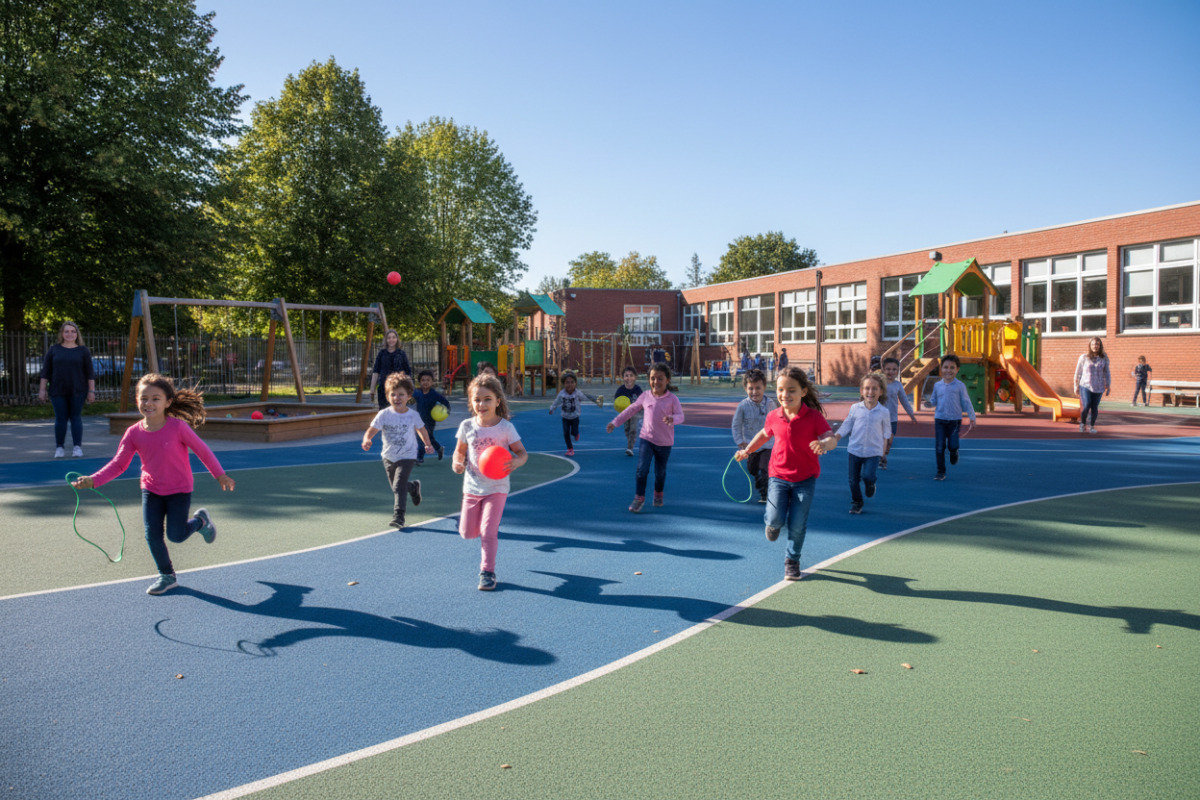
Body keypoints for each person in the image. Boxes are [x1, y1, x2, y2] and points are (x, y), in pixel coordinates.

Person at [71, 374, 235, 595]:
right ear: (137, 400)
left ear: (168, 402)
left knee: (176, 535)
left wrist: (220, 475)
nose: (149, 403)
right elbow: (119, 464)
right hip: (151, 490)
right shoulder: (134, 433)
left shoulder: (178, 427)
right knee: (152, 534)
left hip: (179, 490)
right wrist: (93, 480)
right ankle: (167, 575)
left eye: (155, 398)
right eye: (144, 398)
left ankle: (200, 521)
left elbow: (202, 451)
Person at [735, 365, 834, 581]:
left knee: (798, 524)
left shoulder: (813, 417)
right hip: (778, 476)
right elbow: (763, 434)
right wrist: (747, 450)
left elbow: (831, 437)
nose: (785, 395)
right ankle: (773, 524)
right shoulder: (774, 415)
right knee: (774, 518)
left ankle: (792, 560)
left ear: (803, 392)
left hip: (805, 479)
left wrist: (825, 444)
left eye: (791, 390)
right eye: (781, 390)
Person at [451, 374, 528, 591]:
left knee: (488, 531)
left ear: (497, 401)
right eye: (477, 400)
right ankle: (475, 527)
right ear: (471, 403)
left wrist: (517, 462)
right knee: (467, 533)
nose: (481, 404)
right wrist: (457, 463)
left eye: (487, 399)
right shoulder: (467, 426)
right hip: (473, 488)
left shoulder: (505, 428)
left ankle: (487, 572)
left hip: (497, 488)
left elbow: (522, 453)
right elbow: (460, 451)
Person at [606, 362, 685, 512]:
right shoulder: (645, 396)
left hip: (665, 443)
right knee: (641, 470)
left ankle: (658, 493)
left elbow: (681, 416)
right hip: (646, 439)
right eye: (653, 378)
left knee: (660, 473)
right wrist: (615, 422)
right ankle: (639, 497)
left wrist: (673, 419)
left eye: (660, 378)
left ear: (667, 380)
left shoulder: (672, 399)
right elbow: (630, 410)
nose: (656, 382)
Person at [362, 374, 434, 529]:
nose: (397, 398)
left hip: (407, 455)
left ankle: (399, 516)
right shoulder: (384, 414)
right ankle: (413, 487)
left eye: (401, 394)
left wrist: (427, 443)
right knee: (397, 486)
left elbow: (421, 429)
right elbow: (372, 429)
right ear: (388, 397)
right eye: (393, 394)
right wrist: (367, 439)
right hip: (388, 456)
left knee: (397, 487)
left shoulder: (413, 415)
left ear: (409, 396)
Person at [821, 373, 892, 513]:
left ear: (881, 391)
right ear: (861, 391)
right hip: (855, 450)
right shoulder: (855, 408)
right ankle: (857, 502)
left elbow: (886, 433)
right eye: (867, 388)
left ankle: (871, 483)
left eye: (874, 388)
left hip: (873, 452)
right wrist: (836, 437)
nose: (870, 392)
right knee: (853, 480)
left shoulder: (883, 412)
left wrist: (883, 451)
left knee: (867, 476)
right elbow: (847, 425)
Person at [38, 320, 96, 458]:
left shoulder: (83, 351)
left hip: (78, 390)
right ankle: (59, 448)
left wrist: (91, 391)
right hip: (58, 390)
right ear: (62, 334)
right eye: (67, 331)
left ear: (77, 334)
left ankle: (77, 447)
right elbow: (45, 372)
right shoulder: (54, 350)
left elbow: (90, 373)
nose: (70, 334)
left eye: (73, 331)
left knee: (75, 417)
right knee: (60, 419)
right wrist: (42, 390)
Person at [923, 354, 976, 480]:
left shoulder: (960, 386)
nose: (948, 370)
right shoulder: (937, 386)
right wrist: (930, 403)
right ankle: (940, 472)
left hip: (955, 421)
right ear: (941, 369)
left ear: (957, 369)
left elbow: (966, 402)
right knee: (940, 446)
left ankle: (954, 452)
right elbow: (934, 400)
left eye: (952, 367)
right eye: (946, 367)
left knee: (952, 444)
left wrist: (972, 417)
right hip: (940, 420)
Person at [731, 368, 776, 503]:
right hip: (751, 445)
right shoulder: (743, 406)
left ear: (764, 387)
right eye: (751, 388)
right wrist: (740, 441)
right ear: (745, 388)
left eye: (758, 388)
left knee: (764, 469)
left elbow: (777, 422)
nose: (754, 392)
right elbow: (736, 425)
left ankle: (766, 494)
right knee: (753, 469)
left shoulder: (770, 404)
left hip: (768, 445)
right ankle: (762, 484)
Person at [549, 371, 603, 456]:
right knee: (566, 433)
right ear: (564, 384)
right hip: (565, 417)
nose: (570, 385)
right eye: (567, 383)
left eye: (572, 382)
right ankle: (570, 449)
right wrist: (552, 408)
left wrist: (596, 400)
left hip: (575, 417)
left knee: (574, 432)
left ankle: (576, 434)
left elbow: (586, 397)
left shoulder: (578, 393)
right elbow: (557, 401)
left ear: (575, 383)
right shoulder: (562, 394)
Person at [880, 356, 917, 469]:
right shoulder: (879, 384)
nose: (891, 372)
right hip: (879, 418)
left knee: (889, 442)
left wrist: (911, 415)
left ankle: (884, 455)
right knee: (882, 440)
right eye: (888, 369)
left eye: (894, 369)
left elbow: (905, 401)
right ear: (883, 370)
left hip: (892, 419)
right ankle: (881, 459)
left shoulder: (898, 385)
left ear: (897, 371)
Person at [1073, 337, 1111, 434]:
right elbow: (1078, 372)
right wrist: (1076, 385)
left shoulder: (1104, 358)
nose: (1095, 346)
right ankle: (1083, 423)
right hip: (1085, 385)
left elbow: (1107, 372)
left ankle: (1092, 426)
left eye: (1097, 344)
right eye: (1093, 344)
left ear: (1100, 346)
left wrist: (1108, 385)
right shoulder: (1084, 357)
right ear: (1090, 346)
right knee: (1086, 405)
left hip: (1099, 387)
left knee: (1094, 407)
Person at [367, 329, 412, 409]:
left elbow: (408, 371)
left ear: (397, 339)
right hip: (383, 388)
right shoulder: (381, 353)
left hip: (398, 388)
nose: (391, 340)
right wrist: (372, 389)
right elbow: (376, 371)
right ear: (386, 340)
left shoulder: (401, 354)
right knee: (384, 411)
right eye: (389, 338)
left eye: (393, 337)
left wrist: (410, 389)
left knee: (397, 411)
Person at [412, 369, 450, 464]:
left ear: (432, 382)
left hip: (430, 421)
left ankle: (419, 457)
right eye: (423, 380)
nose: (425, 382)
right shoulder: (417, 393)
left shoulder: (434, 394)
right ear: (420, 382)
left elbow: (445, 402)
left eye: (428, 380)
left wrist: (447, 411)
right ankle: (439, 448)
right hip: (419, 420)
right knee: (428, 438)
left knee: (423, 438)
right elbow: (408, 396)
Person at [613, 366, 643, 456]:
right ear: (623, 377)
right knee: (627, 429)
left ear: (635, 377)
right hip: (625, 413)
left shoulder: (638, 390)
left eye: (631, 375)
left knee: (633, 429)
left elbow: (642, 401)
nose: (629, 378)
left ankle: (630, 448)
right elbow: (617, 401)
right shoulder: (620, 390)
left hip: (635, 412)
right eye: (626, 376)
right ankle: (631, 442)